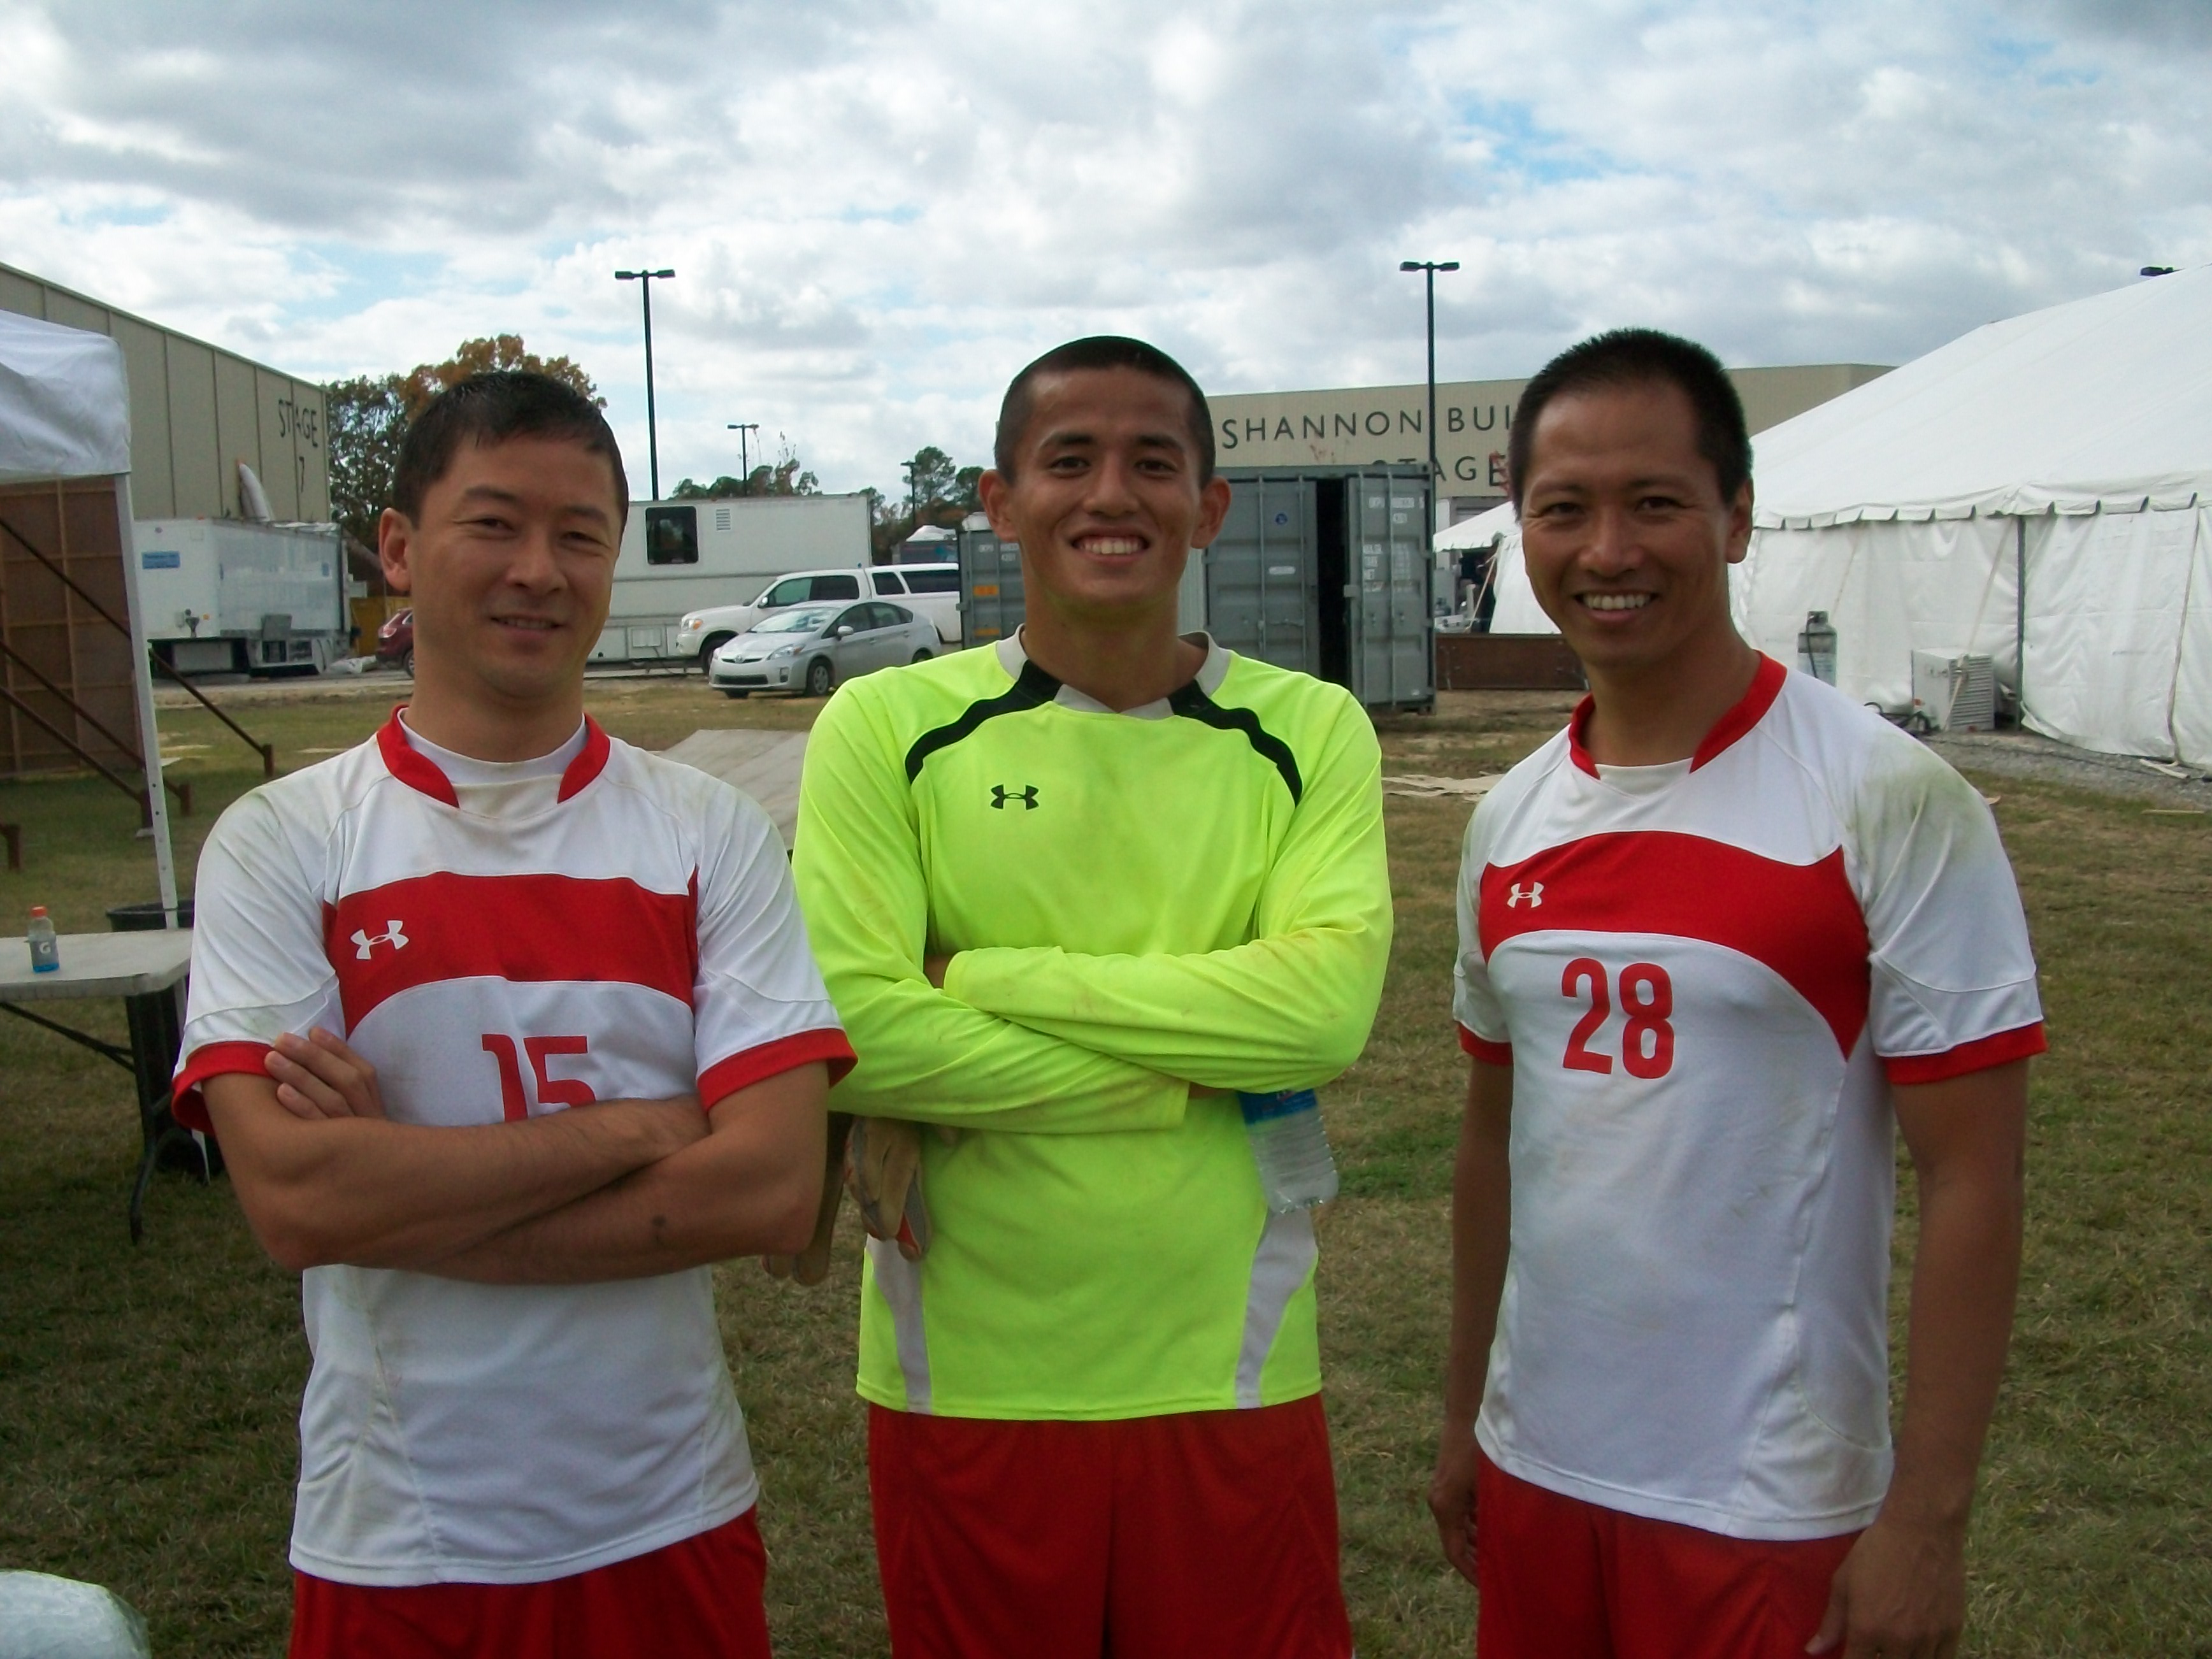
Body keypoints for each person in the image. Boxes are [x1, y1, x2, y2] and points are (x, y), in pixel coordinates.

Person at [171, 371, 854, 1659]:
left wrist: (402, 1192)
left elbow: (769, 1189)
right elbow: (299, 1207)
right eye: (492, 524)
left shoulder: (707, 830)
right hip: (398, 1540)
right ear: (398, 549)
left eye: (579, 534)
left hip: (669, 1518)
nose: (537, 569)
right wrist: (645, 1128)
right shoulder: (283, 841)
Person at [1428, 328, 2044, 1659]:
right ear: (1521, 530)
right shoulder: (1510, 822)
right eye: (1563, 509)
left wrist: (1923, 1524)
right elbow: (1493, 1144)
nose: (1607, 550)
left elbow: (1975, 1181)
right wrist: (1462, 1415)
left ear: (1736, 518)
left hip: (1766, 1504)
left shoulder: (1886, 799)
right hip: (1537, 1472)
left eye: (1654, 503)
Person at [789, 336, 1393, 1657]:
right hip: (970, 1382)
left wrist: (986, 976)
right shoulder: (889, 726)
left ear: (1207, 507)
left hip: (1229, 1373)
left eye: (1151, 463)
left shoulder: (1309, 730)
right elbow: (849, 1032)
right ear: (1000, 504)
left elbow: (1317, 1019)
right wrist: (1181, 1072)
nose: (1109, 495)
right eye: (1068, 461)